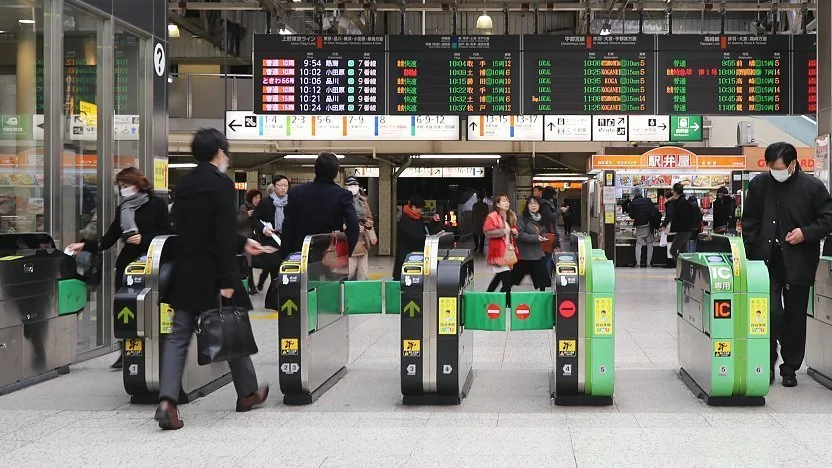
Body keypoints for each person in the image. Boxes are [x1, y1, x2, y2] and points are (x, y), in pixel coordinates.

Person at [155, 128, 269, 430]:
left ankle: (167, 401)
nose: (227, 158)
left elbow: (188, 228)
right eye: (226, 152)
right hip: (213, 272)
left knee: (178, 338)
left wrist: (241, 243)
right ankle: (247, 394)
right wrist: (227, 277)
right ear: (219, 152)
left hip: (184, 272)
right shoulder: (220, 185)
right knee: (232, 328)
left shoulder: (185, 184)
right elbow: (219, 234)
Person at [742, 142, 832, 387]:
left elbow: (827, 218)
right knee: (768, 313)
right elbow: (749, 220)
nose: (775, 172)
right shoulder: (759, 185)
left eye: (779, 167)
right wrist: (753, 249)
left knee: (795, 316)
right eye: (771, 167)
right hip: (765, 261)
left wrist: (806, 232)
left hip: (799, 261)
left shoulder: (812, 187)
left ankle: (790, 367)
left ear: (793, 164)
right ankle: (766, 362)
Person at [67, 167, 171, 369]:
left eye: (127, 185)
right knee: (125, 309)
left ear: (139, 184)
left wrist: (144, 238)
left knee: (150, 307)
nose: (124, 190)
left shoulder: (156, 204)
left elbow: (167, 232)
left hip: (150, 263)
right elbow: (109, 237)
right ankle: (126, 350)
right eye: (121, 186)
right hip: (127, 264)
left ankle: (154, 348)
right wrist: (84, 245)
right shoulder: (123, 208)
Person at [279, 152, 360, 263]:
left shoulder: (296, 192)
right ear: (336, 173)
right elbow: (354, 224)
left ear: (315, 169)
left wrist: (285, 255)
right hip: (330, 254)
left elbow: (287, 225)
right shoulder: (342, 195)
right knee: (330, 281)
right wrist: (346, 251)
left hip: (301, 254)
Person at [392, 194, 442, 281]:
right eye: (420, 208)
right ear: (414, 207)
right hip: (406, 256)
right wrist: (425, 237)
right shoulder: (405, 220)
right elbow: (412, 235)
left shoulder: (417, 217)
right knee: (403, 278)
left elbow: (425, 230)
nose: (421, 211)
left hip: (416, 255)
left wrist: (434, 221)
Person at [252, 175, 288, 291]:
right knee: (274, 268)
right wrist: (264, 229)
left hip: (286, 239)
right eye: (280, 185)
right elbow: (254, 219)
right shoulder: (266, 202)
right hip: (270, 239)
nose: (283, 188)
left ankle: (281, 294)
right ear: (274, 186)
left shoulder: (290, 202)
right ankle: (275, 296)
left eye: (286, 185)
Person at [483, 194, 519, 306]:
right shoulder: (492, 216)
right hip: (498, 252)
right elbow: (487, 231)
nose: (507, 203)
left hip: (508, 252)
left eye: (507, 200)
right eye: (503, 201)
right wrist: (502, 231)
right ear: (498, 204)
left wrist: (515, 233)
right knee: (506, 280)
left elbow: (514, 232)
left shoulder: (510, 216)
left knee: (499, 277)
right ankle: (508, 304)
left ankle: (487, 298)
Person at [512, 196, 550, 291]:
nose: (533, 205)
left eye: (536, 203)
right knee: (512, 280)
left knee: (542, 282)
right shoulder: (522, 218)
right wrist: (536, 238)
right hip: (525, 256)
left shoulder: (540, 218)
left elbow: (542, 231)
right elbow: (519, 234)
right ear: (527, 206)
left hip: (538, 254)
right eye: (531, 203)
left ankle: (542, 302)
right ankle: (503, 299)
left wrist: (544, 236)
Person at [344, 176, 376, 280]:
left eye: (355, 185)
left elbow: (369, 218)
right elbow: (338, 220)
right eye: (350, 185)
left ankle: (362, 293)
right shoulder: (341, 201)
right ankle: (344, 292)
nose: (353, 187)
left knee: (363, 271)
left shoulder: (363, 202)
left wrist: (370, 228)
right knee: (349, 270)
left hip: (363, 239)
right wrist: (352, 227)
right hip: (348, 240)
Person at [660, 183, 693, 268]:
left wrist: (664, 225)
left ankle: (685, 265)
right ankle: (683, 270)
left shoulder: (678, 202)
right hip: (685, 229)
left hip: (682, 230)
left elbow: (670, 215)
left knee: (673, 250)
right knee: (681, 250)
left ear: (675, 192)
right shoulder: (682, 201)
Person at [626, 187, 660, 268]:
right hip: (648, 225)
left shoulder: (632, 203)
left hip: (639, 226)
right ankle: (648, 263)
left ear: (634, 193)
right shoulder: (648, 200)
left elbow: (631, 215)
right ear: (641, 193)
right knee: (650, 244)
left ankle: (638, 263)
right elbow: (654, 211)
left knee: (639, 244)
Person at [238, 189, 262, 295]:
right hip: (245, 239)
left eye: (259, 198)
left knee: (249, 264)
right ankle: (249, 286)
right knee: (247, 264)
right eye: (256, 197)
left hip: (253, 239)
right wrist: (247, 214)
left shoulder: (256, 208)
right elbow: (238, 220)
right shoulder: (244, 207)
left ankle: (251, 286)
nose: (258, 200)